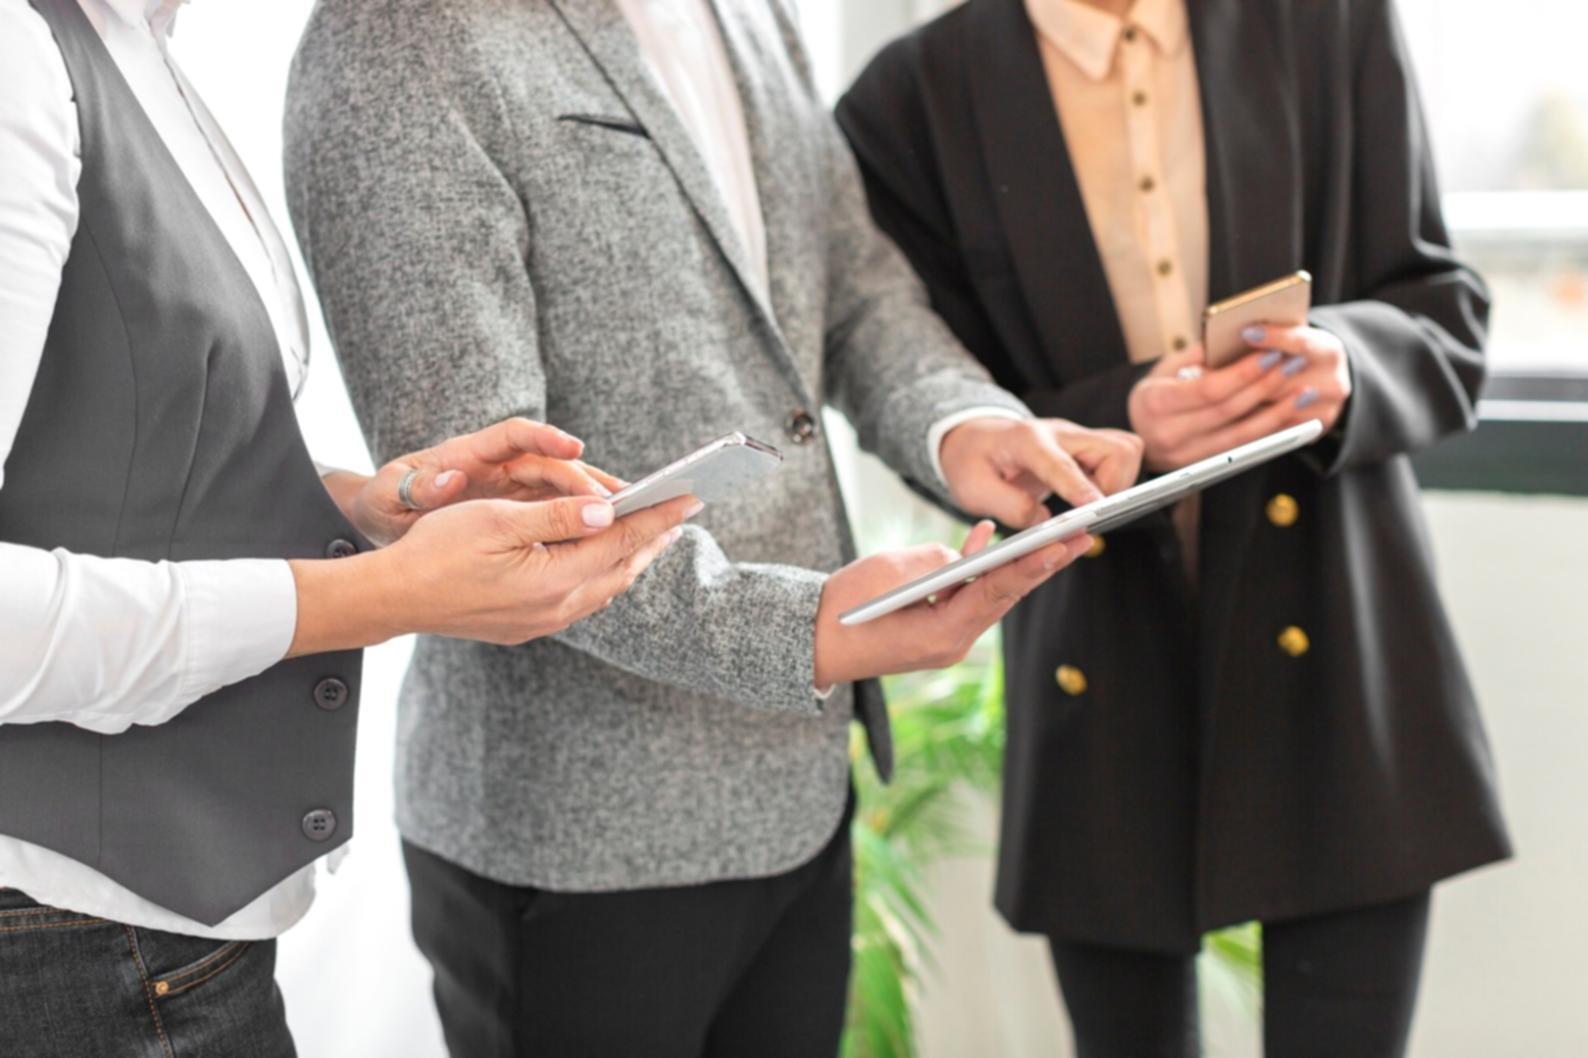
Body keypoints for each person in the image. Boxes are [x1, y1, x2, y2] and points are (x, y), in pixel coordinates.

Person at [283, 0, 1144, 1054]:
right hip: (579, 840)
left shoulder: (751, 15)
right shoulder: (399, 40)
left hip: (798, 794)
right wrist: (801, 630)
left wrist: (961, 426)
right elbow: (482, 506)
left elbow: (856, 294)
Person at [0, 1, 693, 1054]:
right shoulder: (18, 57)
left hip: (158, 934)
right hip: (67, 940)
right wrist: (385, 596)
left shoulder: (132, 45)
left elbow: (113, 449)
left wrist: (372, 506)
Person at [836, 0, 1512, 1054]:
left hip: (1340, 654)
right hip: (1098, 667)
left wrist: (1341, 363)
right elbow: (919, 396)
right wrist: (1119, 416)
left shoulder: (1327, 21)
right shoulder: (910, 97)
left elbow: (1445, 316)